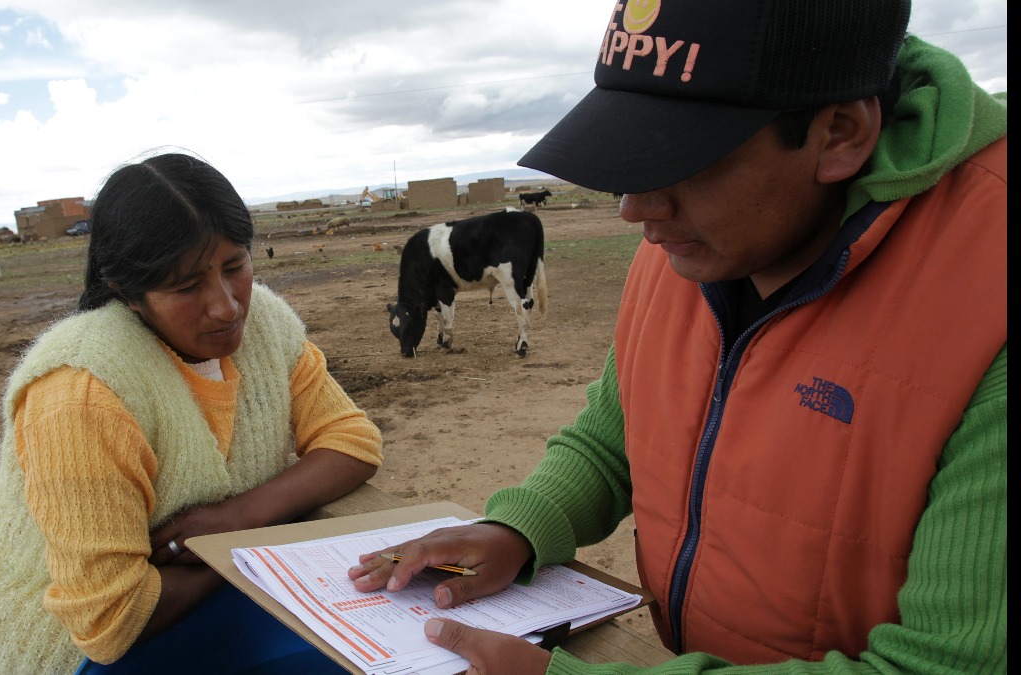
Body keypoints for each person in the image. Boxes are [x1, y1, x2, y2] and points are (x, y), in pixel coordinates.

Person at [349, 0, 1006, 672]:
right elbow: (616, 438)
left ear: (839, 133)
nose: (637, 209)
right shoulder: (688, 247)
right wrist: (517, 526)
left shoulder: (988, 300)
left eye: (682, 157)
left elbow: (948, 664)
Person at [0, 151, 383, 674]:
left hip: (183, 606)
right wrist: (248, 548)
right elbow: (111, 620)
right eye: (186, 287)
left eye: (235, 266)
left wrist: (240, 518)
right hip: (51, 655)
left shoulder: (267, 326)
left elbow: (352, 440)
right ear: (128, 292)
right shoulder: (83, 394)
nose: (226, 305)